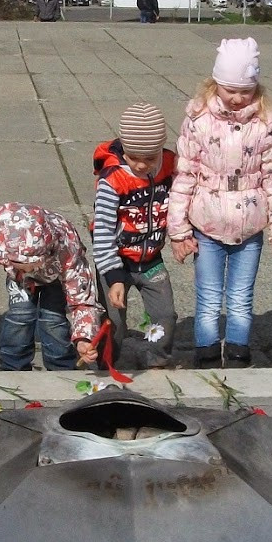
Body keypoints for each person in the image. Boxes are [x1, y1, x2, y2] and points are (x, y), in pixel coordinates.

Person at [167, 37, 272, 369]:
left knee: (240, 298)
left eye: (245, 92)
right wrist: (178, 229)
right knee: (208, 297)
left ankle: (238, 352)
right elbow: (184, 175)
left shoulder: (266, 123)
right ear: (216, 83)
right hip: (207, 224)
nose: (238, 98)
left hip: (249, 226)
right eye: (230, 90)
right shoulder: (198, 119)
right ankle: (206, 352)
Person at [0, 202, 99, 371]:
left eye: (33, 263)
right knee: (20, 315)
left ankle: (60, 365)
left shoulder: (68, 249)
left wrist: (83, 338)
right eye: (22, 264)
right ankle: (13, 366)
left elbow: (82, 299)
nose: (29, 269)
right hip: (18, 278)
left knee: (53, 319)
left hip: (56, 276)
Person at [93, 103, 177, 370]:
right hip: (116, 261)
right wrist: (114, 276)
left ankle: (157, 361)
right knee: (113, 320)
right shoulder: (113, 179)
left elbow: (182, 200)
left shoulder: (170, 166)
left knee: (165, 315)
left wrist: (183, 235)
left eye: (150, 158)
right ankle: (107, 365)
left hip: (151, 259)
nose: (141, 165)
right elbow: (103, 232)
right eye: (133, 157)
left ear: (161, 148)